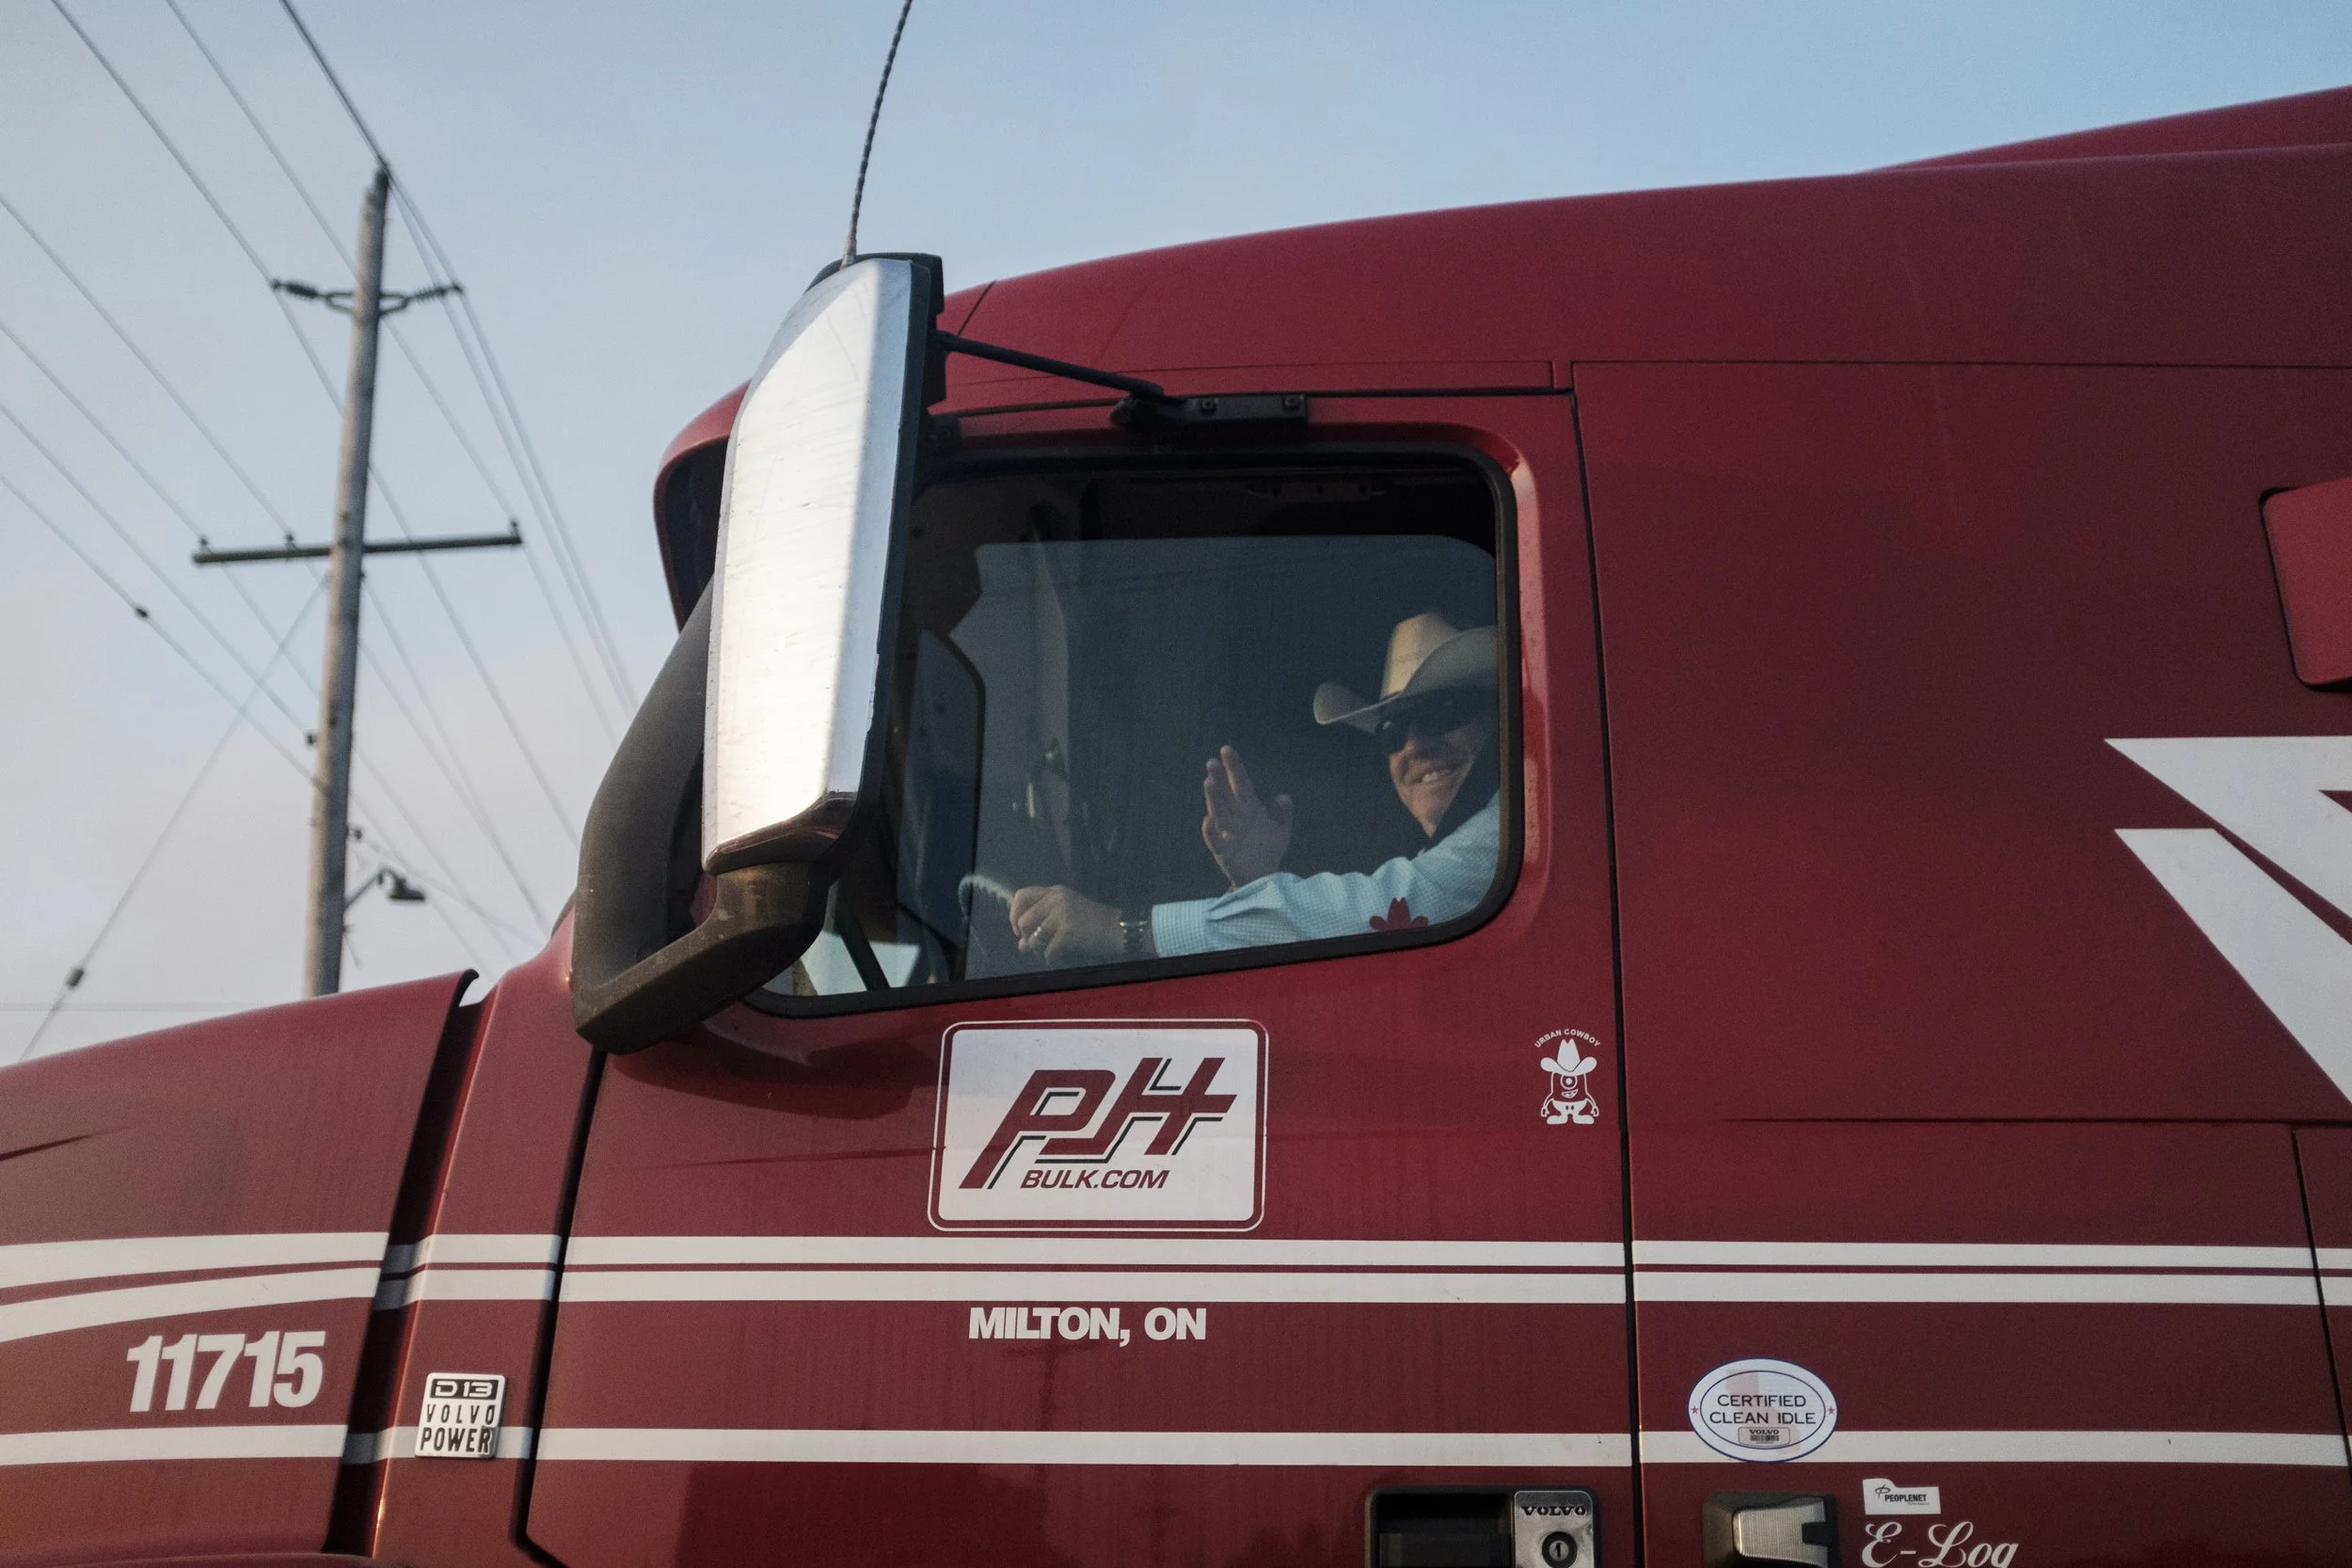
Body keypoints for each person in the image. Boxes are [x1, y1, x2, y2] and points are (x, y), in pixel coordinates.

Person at [1009, 612, 1501, 964]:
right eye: (1393, 733)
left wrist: (1120, 930)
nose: (1415, 747)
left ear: (1500, 722)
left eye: (1441, 713)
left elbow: (1384, 909)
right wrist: (1255, 883)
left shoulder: (1506, 833)